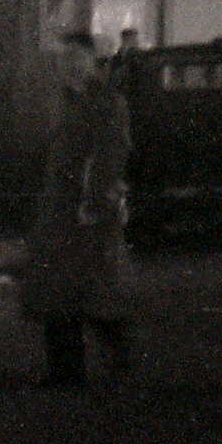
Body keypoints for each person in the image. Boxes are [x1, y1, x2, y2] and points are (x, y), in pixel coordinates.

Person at [23, 29, 134, 387]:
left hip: (88, 208)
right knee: (56, 290)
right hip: (58, 206)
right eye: (63, 59)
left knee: (94, 289)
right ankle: (64, 369)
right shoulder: (58, 100)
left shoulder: (107, 102)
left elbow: (111, 153)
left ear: (91, 61)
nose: (68, 66)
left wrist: (98, 198)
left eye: (75, 58)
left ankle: (115, 350)